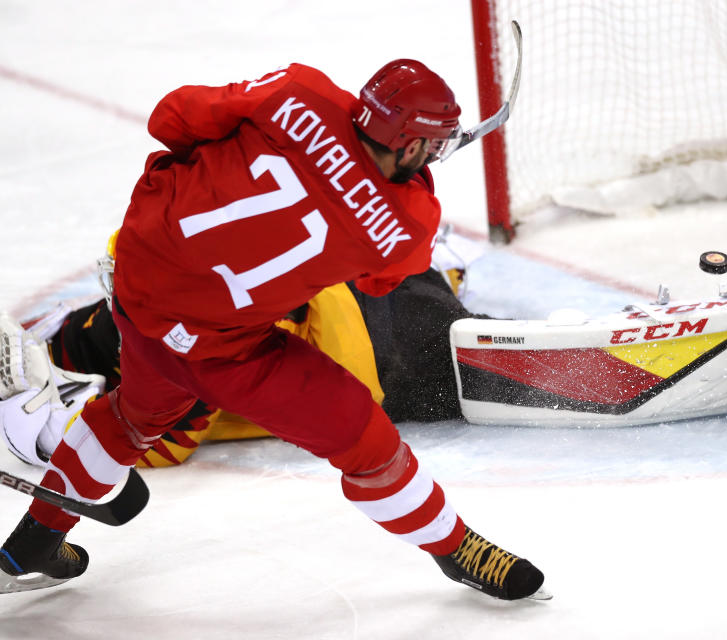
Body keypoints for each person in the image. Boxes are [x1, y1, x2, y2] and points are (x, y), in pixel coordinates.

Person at [0, 60, 546, 601]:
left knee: (130, 418)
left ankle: (31, 543)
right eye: (429, 147)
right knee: (363, 435)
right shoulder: (409, 220)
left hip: (141, 292)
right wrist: (410, 183)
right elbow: (382, 282)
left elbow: (172, 116)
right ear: (407, 145)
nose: (432, 155)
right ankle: (455, 548)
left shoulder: (296, 90)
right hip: (225, 353)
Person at [1, 232, 477, 469]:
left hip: (362, 339)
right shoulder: (119, 330)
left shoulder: (182, 339)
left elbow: (160, 447)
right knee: (435, 320)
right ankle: (431, 267)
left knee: (437, 321)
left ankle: (431, 266)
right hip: (366, 340)